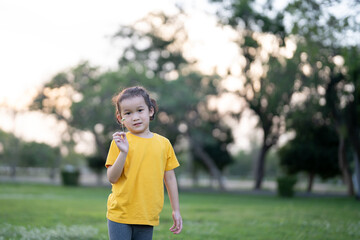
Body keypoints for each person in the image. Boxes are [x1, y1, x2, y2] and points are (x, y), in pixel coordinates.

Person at [105, 86, 183, 240]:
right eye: (128, 113)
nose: (135, 117)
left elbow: (170, 179)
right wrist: (123, 152)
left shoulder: (164, 144)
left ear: (151, 111)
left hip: (147, 215)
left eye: (140, 110)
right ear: (121, 118)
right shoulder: (120, 142)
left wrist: (176, 210)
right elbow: (112, 178)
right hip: (120, 214)